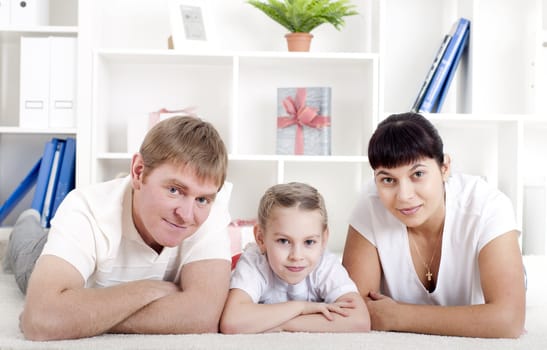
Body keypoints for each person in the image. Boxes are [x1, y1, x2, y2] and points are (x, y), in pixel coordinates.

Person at [3, 116, 233, 340]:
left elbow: (203, 316)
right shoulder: (86, 208)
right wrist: (148, 290)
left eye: (202, 199)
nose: (186, 215)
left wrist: (80, 318)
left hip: (91, 268)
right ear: (138, 171)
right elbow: (42, 318)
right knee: (24, 246)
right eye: (174, 190)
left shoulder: (209, 209)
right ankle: (27, 219)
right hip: (39, 252)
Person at [342, 112, 526, 338]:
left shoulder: (488, 206)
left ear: (444, 167)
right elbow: (357, 309)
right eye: (388, 179)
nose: (404, 196)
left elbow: (508, 321)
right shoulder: (370, 206)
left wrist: (396, 316)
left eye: (417, 174)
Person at [220, 182, 370, 334]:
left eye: (309, 242)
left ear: (324, 239)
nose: (297, 256)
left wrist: (283, 324)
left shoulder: (325, 264)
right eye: (284, 241)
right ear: (260, 238)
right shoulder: (254, 262)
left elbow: (360, 320)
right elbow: (233, 321)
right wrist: (302, 307)